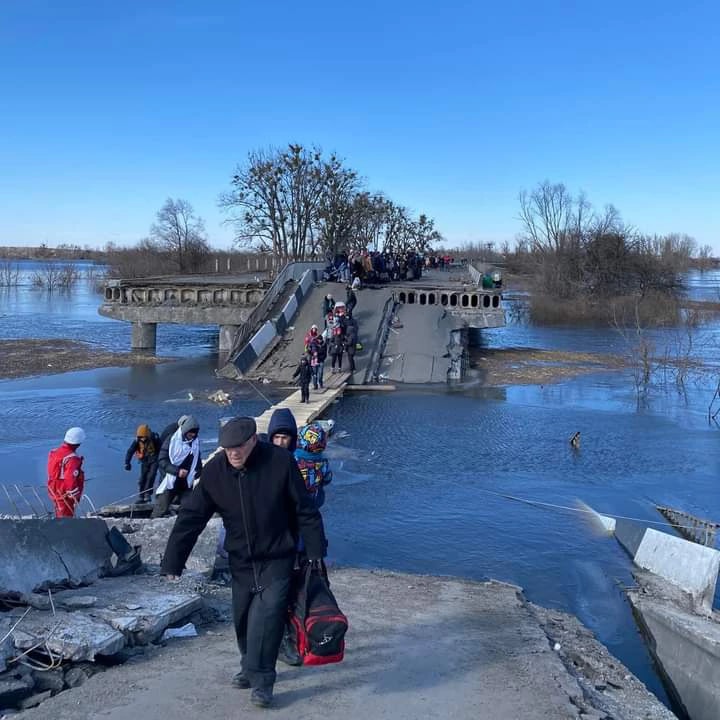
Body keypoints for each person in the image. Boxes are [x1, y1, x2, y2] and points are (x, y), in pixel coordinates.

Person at [160, 417, 327, 709]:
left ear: (252, 441)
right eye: (227, 449)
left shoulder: (280, 463)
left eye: (238, 447)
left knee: (268, 616)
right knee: (244, 618)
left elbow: (305, 509)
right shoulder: (215, 472)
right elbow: (191, 518)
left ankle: (263, 681)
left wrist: (315, 549)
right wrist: (173, 562)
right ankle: (249, 666)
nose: (233, 453)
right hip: (241, 560)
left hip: (278, 556)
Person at [153, 415, 202, 517]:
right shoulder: (172, 440)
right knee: (161, 508)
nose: (192, 435)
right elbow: (162, 460)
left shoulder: (195, 443)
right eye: (190, 433)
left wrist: (198, 472)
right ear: (185, 430)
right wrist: (177, 471)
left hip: (186, 482)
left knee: (188, 509)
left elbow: (197, 461)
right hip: (170, 480)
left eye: (195, 433)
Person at [47, 427, 86, 518]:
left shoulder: (54, 452)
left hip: (53, 486)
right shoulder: (72, 458)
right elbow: (70, 478)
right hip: (64, 491)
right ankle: (63, 529)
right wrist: (74, 495)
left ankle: (59, 522)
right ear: (78, 443)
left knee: (59, 509)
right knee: (66, 514)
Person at [124, 424, 161, 503]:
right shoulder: (137, 441)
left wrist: (160, 460)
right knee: (142, 478)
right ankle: (141, 496)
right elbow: (130, 451)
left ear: (147, 435)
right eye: (140, 437)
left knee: (151, 475)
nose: (142, 439)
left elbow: (161, 450)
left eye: (143, 437)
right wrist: (127, 463)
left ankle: (147, 493)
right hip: (144, 460)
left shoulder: (155, 438)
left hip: (154, 459)